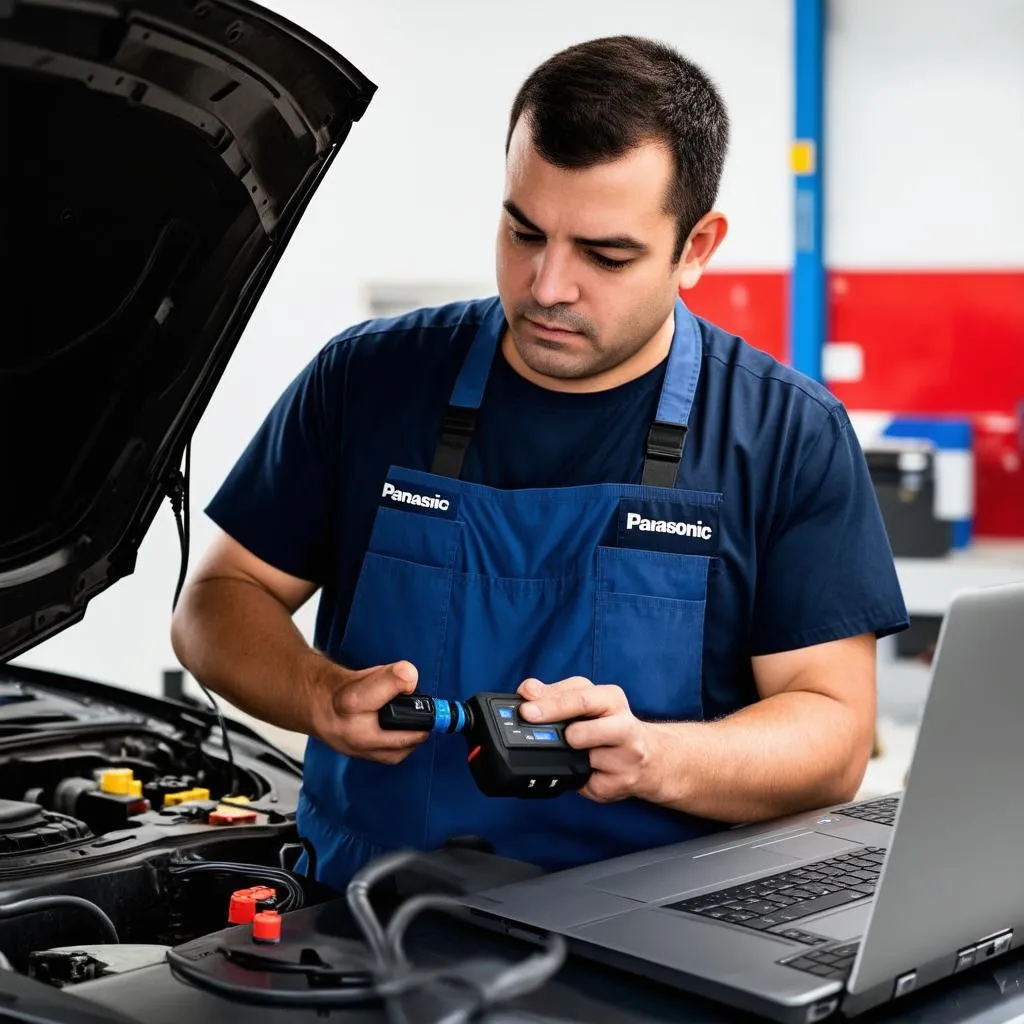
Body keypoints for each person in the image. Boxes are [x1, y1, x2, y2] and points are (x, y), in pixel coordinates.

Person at [170, 35, 908, 891]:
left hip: (650, 937)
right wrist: (315, 693)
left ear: (697, 247)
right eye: (525, 232)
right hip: (359, 920)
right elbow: (216, 603)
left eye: (605, 254)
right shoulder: (369, 380)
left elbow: (834, 734)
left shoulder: (784, 433)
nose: (548, 284)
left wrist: (656, 757)